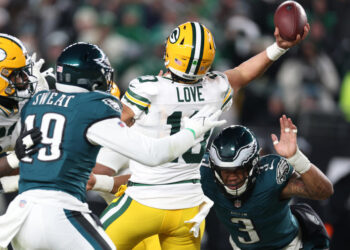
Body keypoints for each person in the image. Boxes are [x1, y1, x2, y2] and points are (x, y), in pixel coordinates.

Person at [89, 21, 310, 250]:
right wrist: (279, 47)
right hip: (189, 209)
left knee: (89, 244)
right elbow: (243, 74)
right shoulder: (215, 90)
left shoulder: (147, 88)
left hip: (144, 201)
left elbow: (110, 126)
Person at [0, 42, 224, 250]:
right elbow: (155, 154)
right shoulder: (95, 109)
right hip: (60, 212)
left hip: (19, 214)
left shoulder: (35, 103)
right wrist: (193, 130)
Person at [201, 115, 333, 249]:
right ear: (214, 168)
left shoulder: (270, 177)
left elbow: (324, 192)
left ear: (253, 165)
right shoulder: (205, 174)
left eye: (238, 170)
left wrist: (296, 158)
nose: (232, 177)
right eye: (225, 171)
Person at [0, 33, 53, 193]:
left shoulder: (30, 92)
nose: (25, 79)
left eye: (24, 71)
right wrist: (14, 158)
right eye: (16, 74)